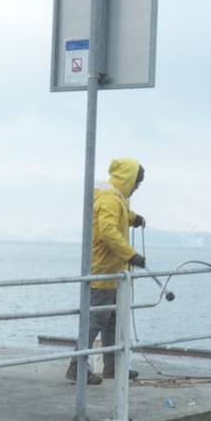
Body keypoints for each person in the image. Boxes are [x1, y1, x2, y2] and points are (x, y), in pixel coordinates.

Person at [66, 158, 146, 385]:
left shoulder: (115, 198)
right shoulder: (110, 200)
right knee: (95, 321)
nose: (137, 187)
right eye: (136, 182)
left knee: (112, 320)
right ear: (127, 179)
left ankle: (112, 367)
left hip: (114, 271)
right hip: (103, 270)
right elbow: (108, 230)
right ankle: (76, 367)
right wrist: (130, 255)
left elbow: (118, 216)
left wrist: (134, 218)